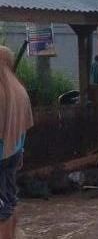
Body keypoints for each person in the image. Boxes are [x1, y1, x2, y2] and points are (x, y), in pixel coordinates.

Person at [0, 46, 33, 239]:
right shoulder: (18, 89)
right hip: (14, 152)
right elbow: (24, 126)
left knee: (1, 208)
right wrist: (20, 152)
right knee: (10, 200)